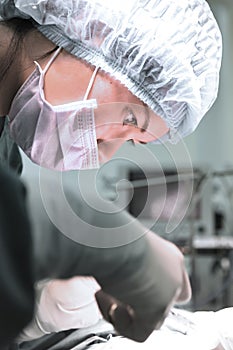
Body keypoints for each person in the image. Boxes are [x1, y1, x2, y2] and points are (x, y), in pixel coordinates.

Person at [0, 0, 222, 348]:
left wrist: (33, 308)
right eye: (131, 119)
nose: (103, 153)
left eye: (132, 141)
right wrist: (113, 248)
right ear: (91, 31)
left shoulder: (4, 148)